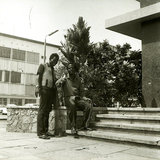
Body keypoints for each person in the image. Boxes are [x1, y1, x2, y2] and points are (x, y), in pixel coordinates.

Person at [56, 63, 93, 138]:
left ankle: (84, 125)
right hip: (68, 98)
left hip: (77, 98)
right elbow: (57, 84)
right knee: (72, 105)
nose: (71, 69)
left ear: (74, 70)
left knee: (88, 106)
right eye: (69, 68)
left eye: (72, 68)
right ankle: (73, 127)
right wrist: (61, 79)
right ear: (67, 69)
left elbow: (81, 92)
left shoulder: (78, 79)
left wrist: (85, 98)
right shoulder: (65, 78)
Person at [35, 53, 59, 139]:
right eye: (54, 59)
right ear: (50, 58)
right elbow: (38, 77)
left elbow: (54, 81)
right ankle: (41, 132)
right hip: (44, 90)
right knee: (42, 111)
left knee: (47, 111)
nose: (55, 62)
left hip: (50, 91)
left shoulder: (53, 70)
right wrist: (37, 88)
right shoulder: (43, 65)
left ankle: (45, 131)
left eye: (56, 61)